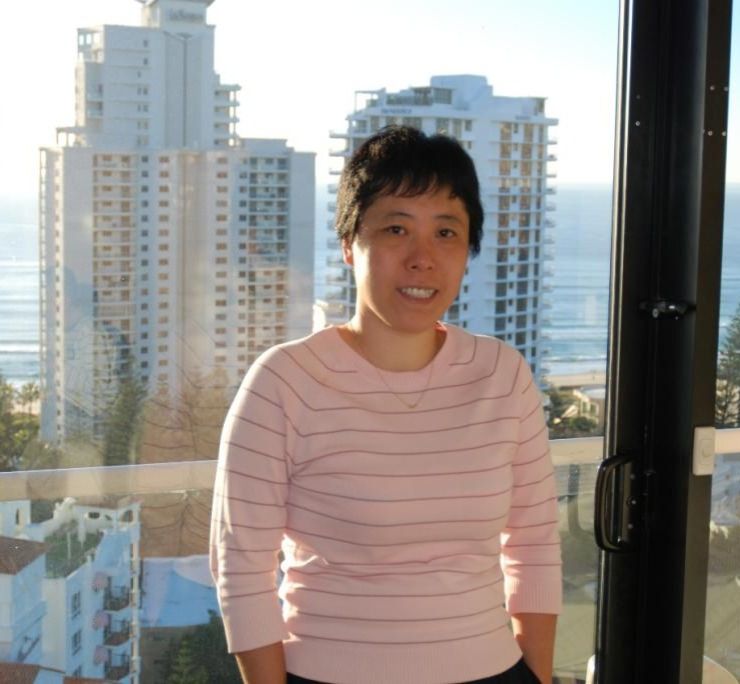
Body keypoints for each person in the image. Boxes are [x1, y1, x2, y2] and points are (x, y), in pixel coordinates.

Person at [210, 126, 562, 684]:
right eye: (396, 229)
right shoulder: (285, 381)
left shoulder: (502, 374)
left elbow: (534, 542)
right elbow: (241, 565)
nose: (423, 258)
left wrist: (535, 675)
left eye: (446, 232)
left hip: (494, 670)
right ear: (350, 243)